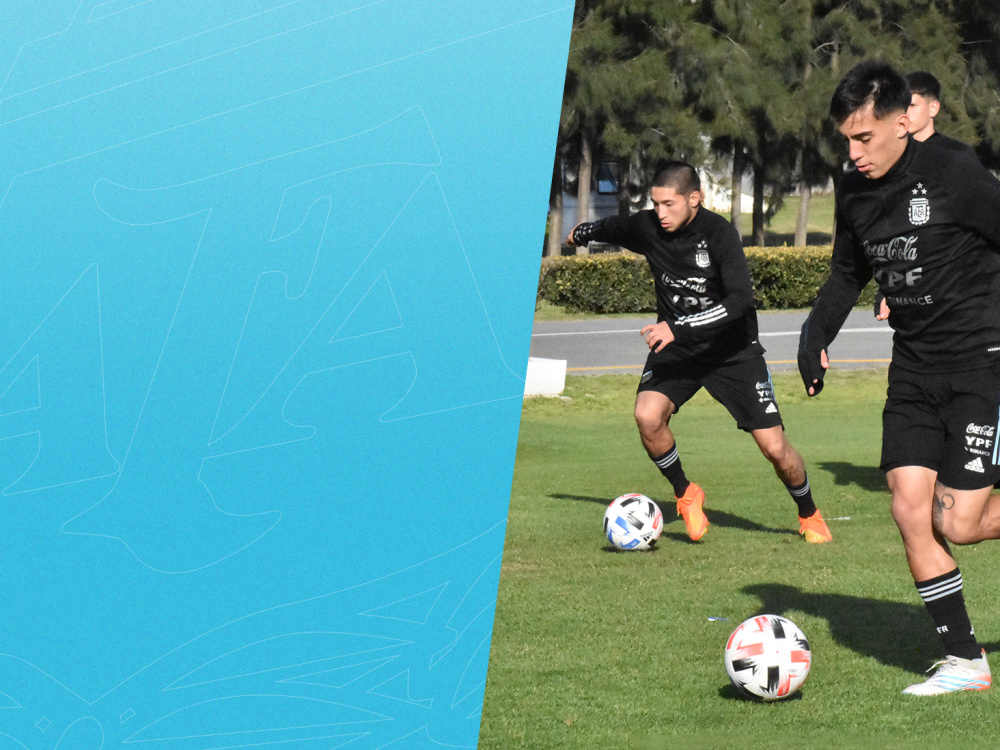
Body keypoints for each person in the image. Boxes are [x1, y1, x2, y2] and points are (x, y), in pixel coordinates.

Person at [798, 59, 1000, 695]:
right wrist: (814, 335)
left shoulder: (955, 172)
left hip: (981, 363)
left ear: (902, 120)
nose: (854, 153)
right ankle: (966, 662)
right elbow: (845, 272)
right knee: (911, 510)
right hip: (913, 369)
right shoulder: (854, 188)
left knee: (960, 524)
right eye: (846, 140)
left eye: (865, 138)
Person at [567, 161, 832, 544]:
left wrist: (677, 327)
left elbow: (741, 300)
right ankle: (685, 493)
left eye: (669, 204)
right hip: (678, 350)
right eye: (655, 203)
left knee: (775, 449)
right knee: (647, 415)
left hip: (733, 353)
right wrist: (584, 232)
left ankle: (809, 514)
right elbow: (613, 227)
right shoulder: (648, 226)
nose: (660, 213)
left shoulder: (720, 235)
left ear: (695, 199)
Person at [906, 71, 942, 142]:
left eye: (912, 105)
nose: (905, 112)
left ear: (933, 108)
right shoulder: (888, 150)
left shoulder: (952, 152)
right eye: (902, 104)